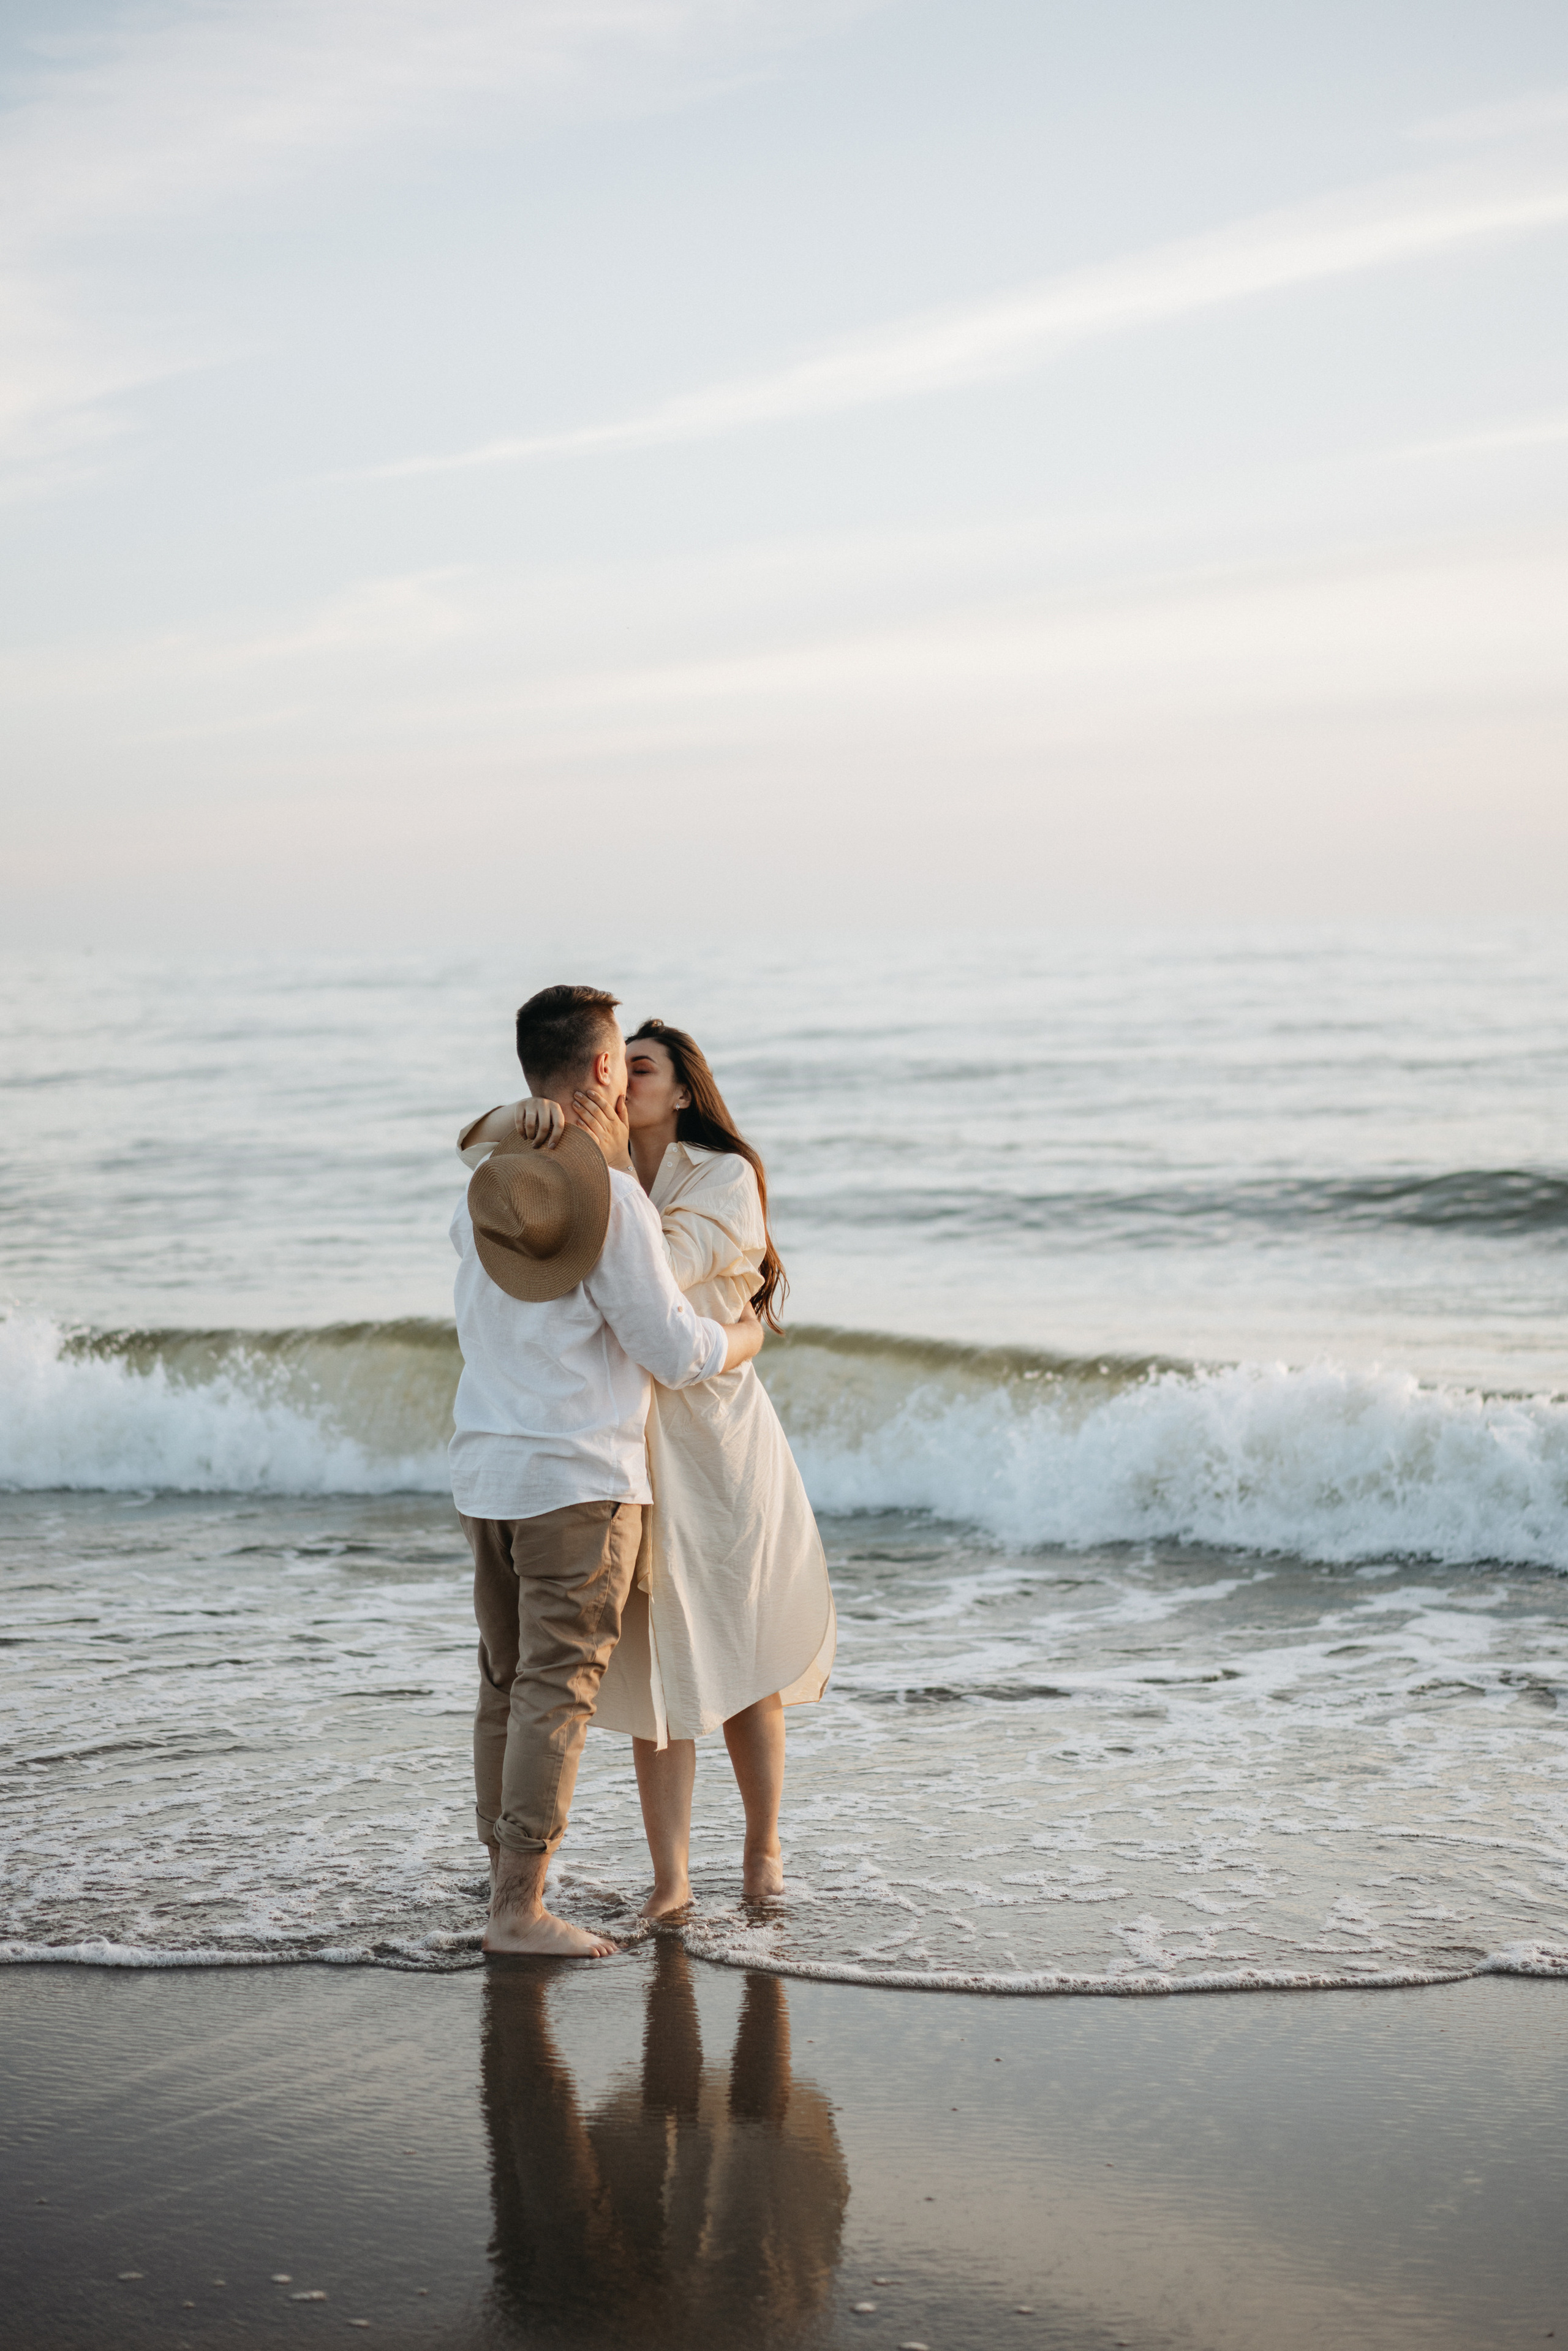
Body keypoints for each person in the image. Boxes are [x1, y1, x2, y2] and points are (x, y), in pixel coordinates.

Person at [459, 1019, 835, 1921]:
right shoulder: (593, 1166)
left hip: (715, 1443)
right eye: (615, 1064)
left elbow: (658, 1270)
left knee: (741, 1656)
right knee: (656, 1671)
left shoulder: (723, 1177)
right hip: (627, 1442)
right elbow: (477, 1143)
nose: (621, 1080)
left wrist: (602, 1164)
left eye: (641, 1067)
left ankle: (761, 1848)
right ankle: (670, 1881)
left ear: (681, 1090)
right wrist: (539, 1120)